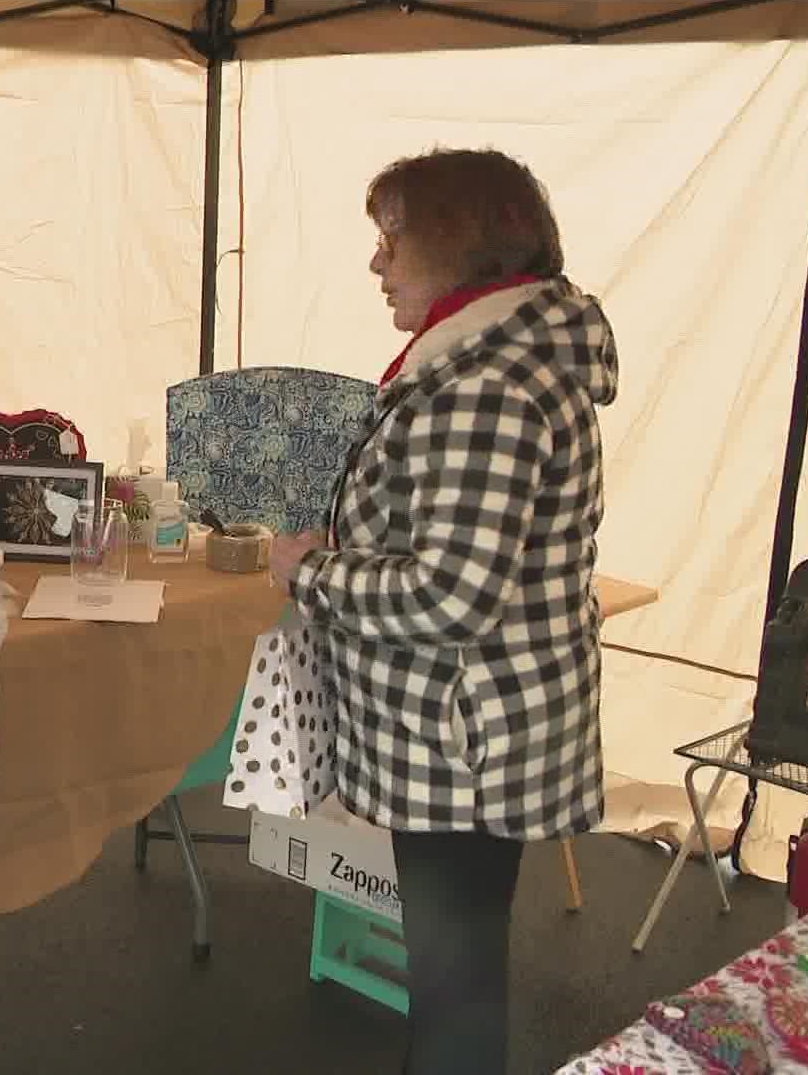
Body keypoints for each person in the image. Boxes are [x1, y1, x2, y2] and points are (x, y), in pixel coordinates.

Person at [268, 148, 618, 1075]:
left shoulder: (486, 387)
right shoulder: (500, 366)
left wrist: (311, 574)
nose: (376, 264)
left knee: (457, 995)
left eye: (392, 241)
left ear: (459, 246)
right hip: (476, 736)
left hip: (463, 746)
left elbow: (450, 595)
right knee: (458, 976)